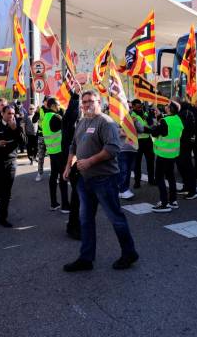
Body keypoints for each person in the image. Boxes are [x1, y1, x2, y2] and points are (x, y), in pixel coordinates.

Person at [63, 90, 138, 271]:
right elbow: (73, 145)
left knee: (115, 218)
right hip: (84, 180)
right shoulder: (82, 121)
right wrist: (68, 166)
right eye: (84, 101)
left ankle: (129, 253)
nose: (87, 104)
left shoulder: (106, 122)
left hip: (104, 180)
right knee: (86, 220)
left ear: (99, 101)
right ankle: (86, 258)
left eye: (91, 101)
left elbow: (112, 149)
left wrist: (89, 161)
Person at [150, 101, 184, 212]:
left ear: (170, 109)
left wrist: (155, 125)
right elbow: (167, 130)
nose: (166, 107)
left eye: (167, 106)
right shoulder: (178, 120)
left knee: (159, 178)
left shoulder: (165, 121)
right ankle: (173, 201)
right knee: (171, 177)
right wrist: (160, 117)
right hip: (172, 153)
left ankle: (164, 203)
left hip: (162, 153)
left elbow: (155, 133)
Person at [61, 91, 83, 239]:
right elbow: (71, 114)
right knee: (77, 200)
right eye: (83, 105)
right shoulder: (70, 124)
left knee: (81, 200)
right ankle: (73, 227)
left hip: (82, 167)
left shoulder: (83, 123)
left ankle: (76, 225)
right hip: (75, 166)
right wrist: (75, 98)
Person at [42, 98, 70, 212]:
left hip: (52, 152)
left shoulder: (45, 118)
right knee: (63, 178)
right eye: (58, 105)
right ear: (53, 105)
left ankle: (54, 203)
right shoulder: (56, 117)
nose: (59, 107)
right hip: (60, 152)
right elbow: (68, 127)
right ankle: (65, 205)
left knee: (53, 177)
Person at [175, 98, 197, 199]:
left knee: (187, 167)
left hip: (185, 143)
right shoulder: (183, 112)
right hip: (181, 143)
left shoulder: (185, 113)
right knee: (181, 166)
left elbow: (182, 129)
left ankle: (193, 190)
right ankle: (186, 187)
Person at [118, 111, 142, 200]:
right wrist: (122, 131)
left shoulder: (133, 119)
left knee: (128, 171)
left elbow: (141, 130)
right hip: (122, 149)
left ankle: (124, 189)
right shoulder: (117, 119)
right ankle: (122, 190)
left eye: (130, 107)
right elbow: (115, 133)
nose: (129, 109)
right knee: (123, 171)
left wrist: (135, 122)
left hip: (133, 149)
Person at [131, 100, 155, 188]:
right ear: (133, 107)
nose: (140, 108)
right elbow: (140, 129)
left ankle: (151, 179)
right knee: (137, 163)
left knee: (151, 161)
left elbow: (151, 123)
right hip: (138, 141)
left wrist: (150, 117)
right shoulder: (132, 115)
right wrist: (152, 130)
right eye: (138, 107)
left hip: (148, 140)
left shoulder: (144, 112)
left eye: (141, 107)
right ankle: (137, 181)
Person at [31, 99, 49, 182]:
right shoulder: (40, 110)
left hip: (51, 137)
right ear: (44, 102)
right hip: (41, 136)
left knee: (53, 157)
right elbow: (34, 120)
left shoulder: (52, 110)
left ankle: (56, 173)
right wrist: (36, 112)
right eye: (46, 101)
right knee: (41, 156)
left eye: (49, 101)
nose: (47, 103)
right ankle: (39, 173)